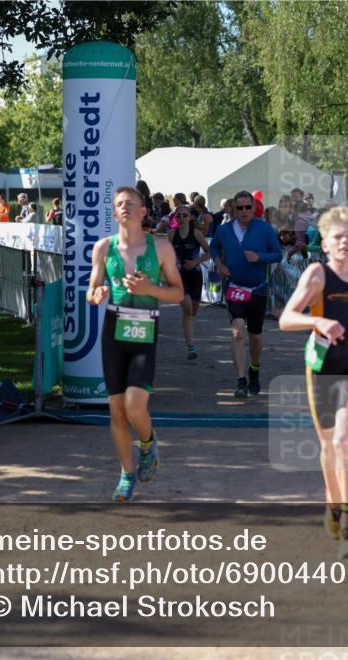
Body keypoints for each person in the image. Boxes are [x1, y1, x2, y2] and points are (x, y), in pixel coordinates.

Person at [278, 206, 348, 559]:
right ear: (324, 245)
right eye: (337, 237)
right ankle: (332, 505)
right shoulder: (316, 275)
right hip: (321, 365)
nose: (345, 242)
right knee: (329, 445)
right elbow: (286, 318)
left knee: (345, 437)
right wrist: (319, 323)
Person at [86, 186, 184, 502]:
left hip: (144, 326)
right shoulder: (103, 248)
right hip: (114, 329)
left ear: (144, 211)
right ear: (114, 214)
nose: (125, 207)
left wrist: (150, 288)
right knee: (116, 411)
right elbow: (92, 290)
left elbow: (178, 294)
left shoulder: (162, 248)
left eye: (131, 203)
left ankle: (147, 442)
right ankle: (127, 474)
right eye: (119, 204)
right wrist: (96, 295)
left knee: (135, 405)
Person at [209, 190, 283, 398]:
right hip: (234, 288)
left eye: (247, 207)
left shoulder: (265, 229)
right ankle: (241, 381)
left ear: (254, 208)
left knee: (256, 337)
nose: (243, 211)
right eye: (239, 208)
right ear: (233, 209)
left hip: (258, 289)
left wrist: (259, 256)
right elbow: (213, 248)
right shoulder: (224, 230)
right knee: (238, 330)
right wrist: (219, 264)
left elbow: (277, 254)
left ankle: (254, 368)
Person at [170, 205, 212, 360]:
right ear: (175, 218)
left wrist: (195, 262)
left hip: (195, 275)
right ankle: (191, 347)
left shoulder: (196, 234)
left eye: (184, 215)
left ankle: (191, 345)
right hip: (179, 277)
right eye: (178, 216)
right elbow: (167, 253)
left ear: (189, 218)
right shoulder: (171, 234)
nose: (181, 218)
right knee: (187, 311)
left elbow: (210, 252)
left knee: (193, 311)